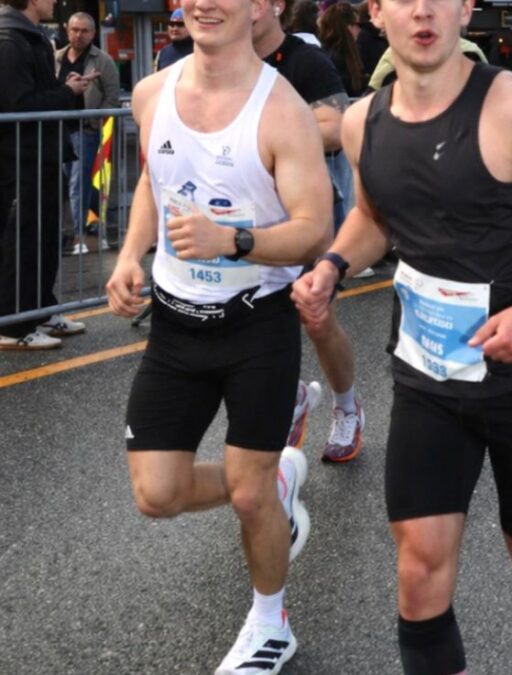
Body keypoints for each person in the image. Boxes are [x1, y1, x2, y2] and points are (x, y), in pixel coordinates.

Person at [291, 0, 512, 669]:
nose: (422, 9)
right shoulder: (366, 122)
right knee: (419, 569)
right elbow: (372, 214)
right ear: (377, 11)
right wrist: (333, 265)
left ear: (465, 9)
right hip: (428, 375)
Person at [103, 0, 332, 669]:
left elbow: (314, 226)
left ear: (262, 6)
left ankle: (271, 622)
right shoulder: (152, 91)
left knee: (246, 491)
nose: (206, 3)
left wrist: (232, 241)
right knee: (156, 493)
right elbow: (154, 179)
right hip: (176, 327)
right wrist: (128, 255)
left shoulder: (282, 109)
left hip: (256, 324)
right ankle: (274, 489)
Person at [254, 0, 369, 463]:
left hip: (307, 211)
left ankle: (347, 407)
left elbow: (335, 126)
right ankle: (295, 397)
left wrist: (267, 134)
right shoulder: (223, 63)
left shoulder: (306, 61)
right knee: (254, 323)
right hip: (247, 219)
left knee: (316, 318)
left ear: (274, 7)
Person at [0, 0, 94, 350]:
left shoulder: (31, 35)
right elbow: (19, 106)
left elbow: (34, 95)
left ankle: (40, 311)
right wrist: (67, 92)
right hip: (20, 162)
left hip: (42, 155)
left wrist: (64, 87)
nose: (55, 0)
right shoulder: (9, 40)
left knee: (44, 239)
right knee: (21, 243)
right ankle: (13, 327)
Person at [55, 11, 120, 255]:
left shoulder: (103, 61)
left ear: (93, 33)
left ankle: (77, 235)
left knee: (76, 185)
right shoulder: (57, 58)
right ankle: (106, 222)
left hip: (86, 131)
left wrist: (92, 119)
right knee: (81, 185)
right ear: (66, 30)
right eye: (74, 30)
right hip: (60, 130)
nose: (78, 35)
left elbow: (113, 99)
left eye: (84, 31)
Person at [318, 2, 365, 97]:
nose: (359, 30)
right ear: (348, 27)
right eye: (357, 24)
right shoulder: (337, 57)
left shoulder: (327, 53)